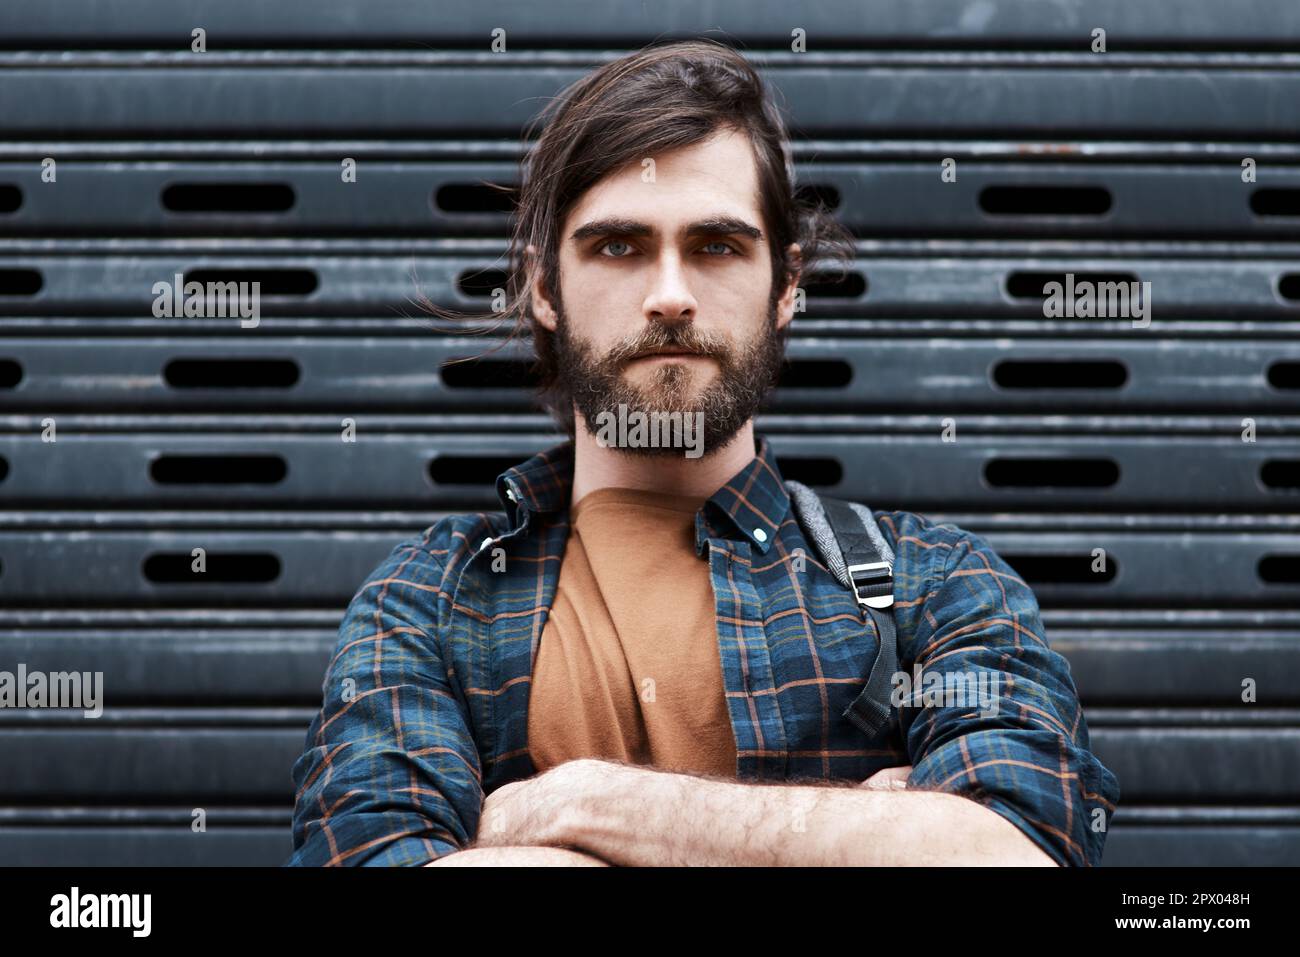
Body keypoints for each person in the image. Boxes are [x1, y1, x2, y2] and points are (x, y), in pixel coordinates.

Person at [287, 39, 1119, 867]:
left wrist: (591, 808)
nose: (671, 295)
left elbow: (1015, 855)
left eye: (718, 245)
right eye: (618, 246)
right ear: (543, 288)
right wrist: (859, 837)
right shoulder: (428, 606)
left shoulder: (933, 587)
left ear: (786, 284)